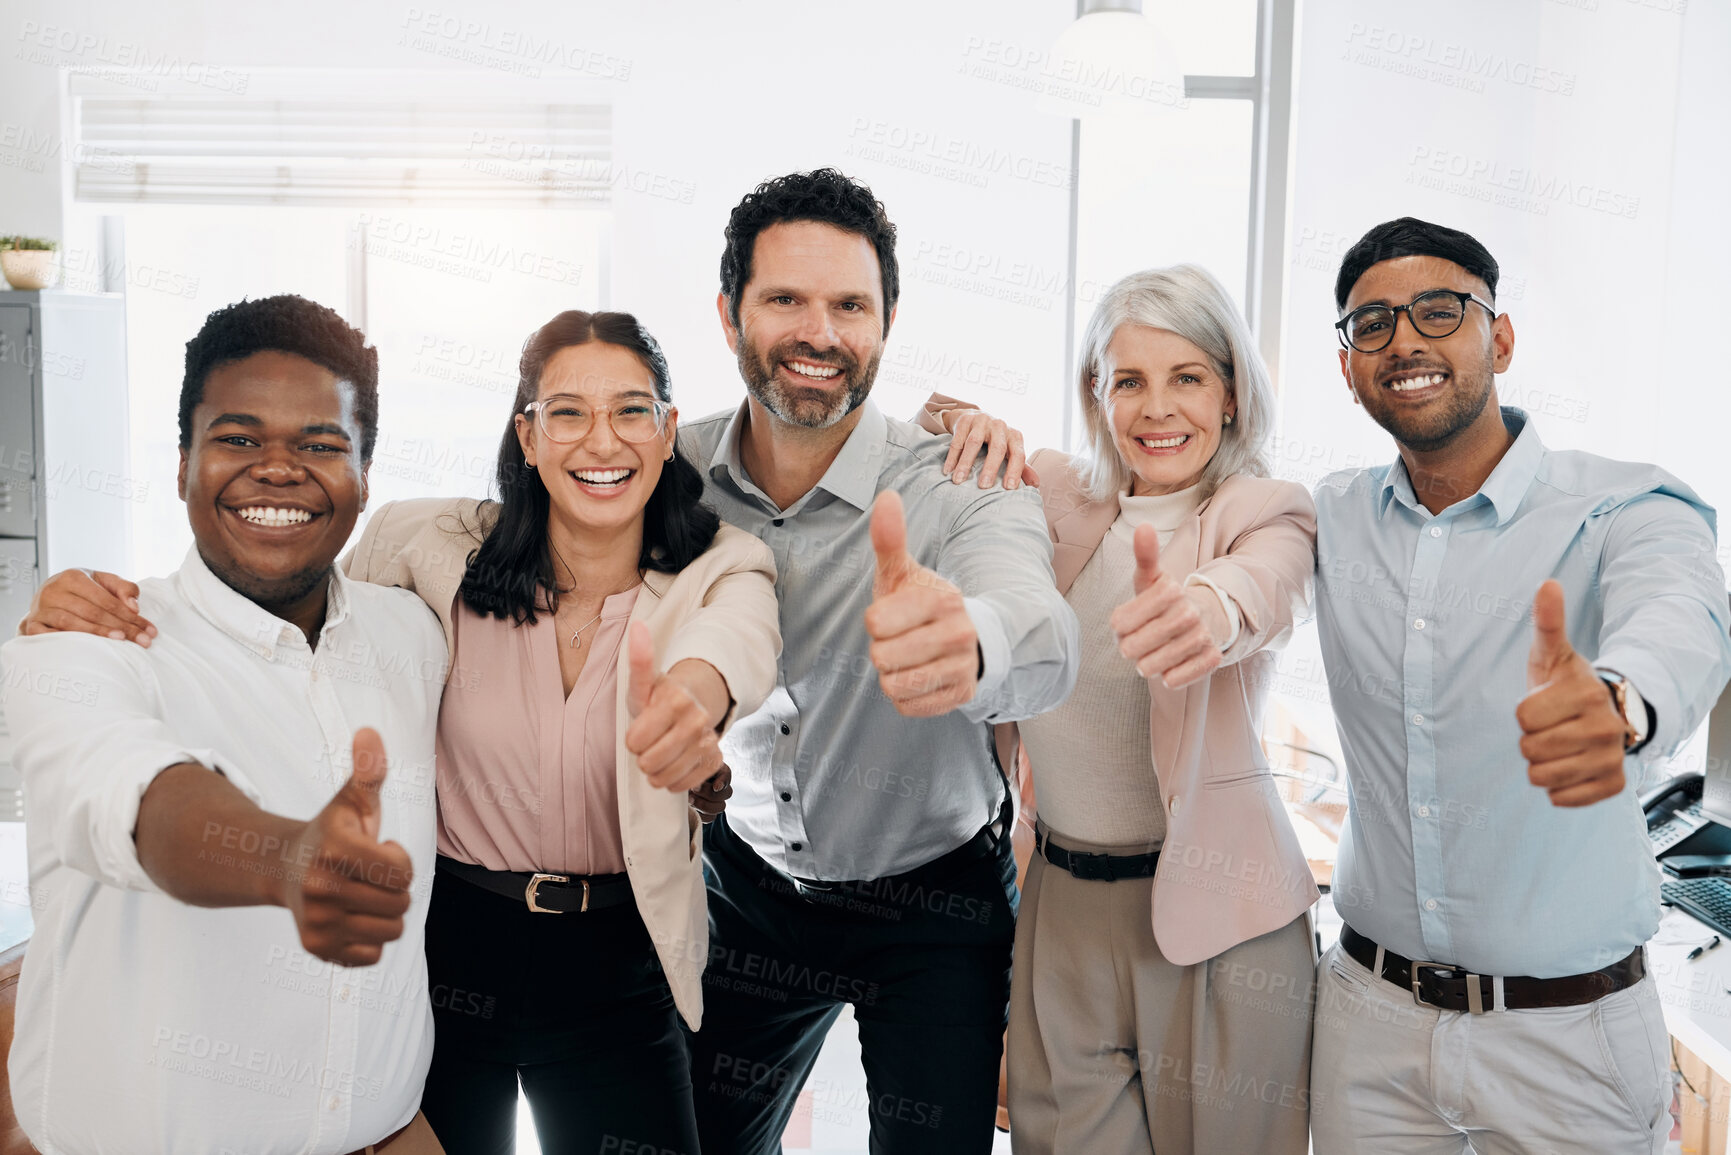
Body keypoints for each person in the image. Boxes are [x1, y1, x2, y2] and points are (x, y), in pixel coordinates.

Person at [21, 309, 783, 1155]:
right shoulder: (424, 566)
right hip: (454, 938)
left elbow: (735, 644)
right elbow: (152, 749)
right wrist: (286, 855)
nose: (599, 439)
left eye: (631, 409)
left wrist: (695, 710)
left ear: (667, 428)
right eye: (567, 411)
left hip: (614, 949)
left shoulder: (715, 565)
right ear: (526, 436)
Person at [1307, 217, 1731, 1154]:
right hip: (1367, 1027)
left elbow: (1686, 608)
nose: (1404, 339)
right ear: (1347, 368)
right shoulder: (1329, 517)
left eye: (1438, 310)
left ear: (1498, 337)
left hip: (1569, 1041)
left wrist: (1621, 701)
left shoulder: (1623, 505)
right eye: (1370, 324)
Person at [679, 168, 1080, 1154]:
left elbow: (1042, 632)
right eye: (786, 300)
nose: (820, 332)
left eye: (850, 305)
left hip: (935, 904)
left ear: (886, 324)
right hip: (749, 891)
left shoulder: (961, 477)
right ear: (729, 315)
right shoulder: (666, 474)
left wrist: (970, 644)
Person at [0, 295, 447, 1153]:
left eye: (321, 444)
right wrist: (288, 860)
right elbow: (134, 795)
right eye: (238, 439)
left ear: (364, 476)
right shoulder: (81, 647)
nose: (278, 469)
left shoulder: (413, 636)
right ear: (182, 465)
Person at [919, 264, 1320, 1153]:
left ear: (1228, 394)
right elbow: (933, 442)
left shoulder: (1267, 512)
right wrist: (957, 420)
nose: (1155, 407)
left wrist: (1202, 612)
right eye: (1126, 380)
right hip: (1059, 903)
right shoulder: (1060, 493)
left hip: (1223, 921)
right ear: (1094, 394)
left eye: (1186, 377)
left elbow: (1258, 593)